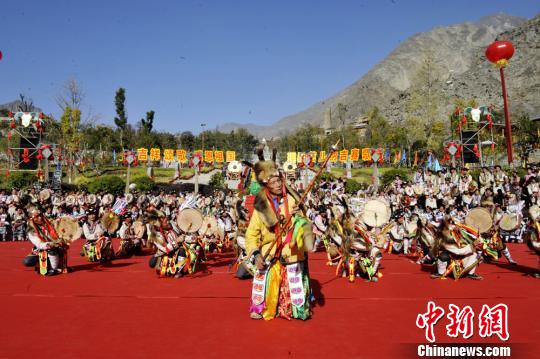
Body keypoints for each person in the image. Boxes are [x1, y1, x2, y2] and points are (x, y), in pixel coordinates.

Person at [245, 148, 314, 320]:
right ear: (266, 184)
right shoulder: (261, 206)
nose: (277, 185)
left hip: (291, 253)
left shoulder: (292, 201)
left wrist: (299, 216)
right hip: (270, 252)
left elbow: (304, 227)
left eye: (279, 181)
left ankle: (295, 307)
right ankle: (260, 306)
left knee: (295, 306)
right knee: (264, 283)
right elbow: (251, 234)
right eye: (273, 182)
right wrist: (255, 254)